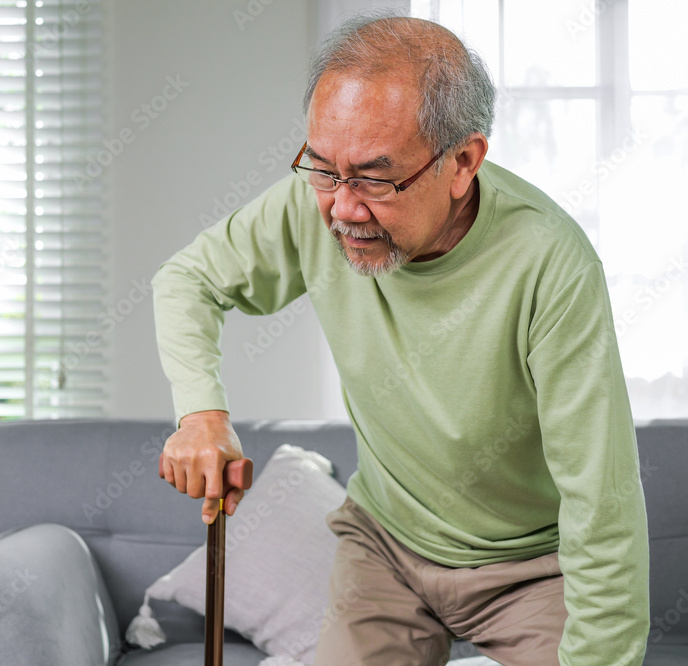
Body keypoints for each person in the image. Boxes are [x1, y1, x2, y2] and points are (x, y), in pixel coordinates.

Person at [152, 13, 650, 666]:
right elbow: (188, 280)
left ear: (463, 162)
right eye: (324, 168)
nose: (343, 208)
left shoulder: (551, 265)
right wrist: (201, 413)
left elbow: (602, 507)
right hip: (386, 544)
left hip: (530, 566)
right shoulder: (316, 204)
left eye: (376, 178)